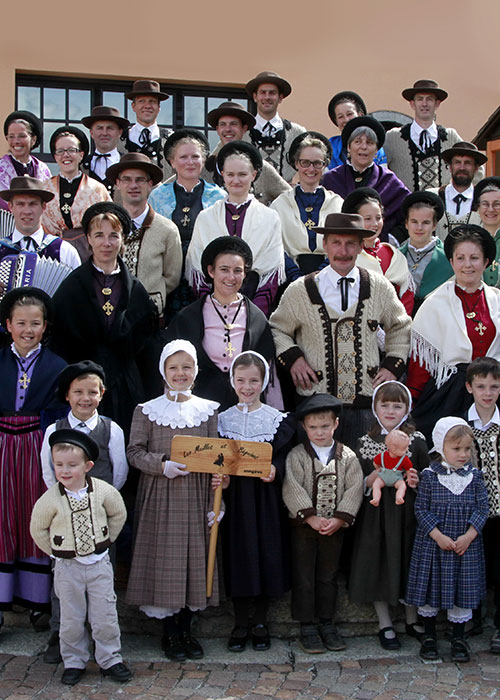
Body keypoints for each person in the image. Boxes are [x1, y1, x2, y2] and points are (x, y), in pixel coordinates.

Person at [270, 213, 411, 448]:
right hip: (315, 408)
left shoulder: (379, 287)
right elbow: (277, 328)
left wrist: (392, 366)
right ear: (325, 244)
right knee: (316, 473)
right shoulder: (300, 290)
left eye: (350, 243)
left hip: (365, 406)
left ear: (360, 246)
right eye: (336, 242)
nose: (343, 251)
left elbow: (400, 325)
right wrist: (294, 359)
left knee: (363, 474)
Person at [126, 340, 219, 661]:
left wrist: (217, 502)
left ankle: (186, 629)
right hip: (161, 496)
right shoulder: (146, 410)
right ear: (163, 371)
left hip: (196, 495)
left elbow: (218, 459)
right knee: (165, 561)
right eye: (173, 367)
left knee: (194, 559)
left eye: (186, 367)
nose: (180, 373)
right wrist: (161, 465)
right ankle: (169, 633)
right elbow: (134, 452)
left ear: (196, 371)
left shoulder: (208, 410)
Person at [40, 360, 128, 664]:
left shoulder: (111, 430)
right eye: (78, 392)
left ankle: (102, 637)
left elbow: (119, 474)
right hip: (64, 516)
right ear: (68, 395)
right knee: (64, 582)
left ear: (102, 394)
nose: (85, 398)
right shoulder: (54, 430)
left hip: (100, 519)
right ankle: (60, 634)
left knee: (101, 583)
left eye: (92, 392)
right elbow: (48, 474)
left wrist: (98, 503)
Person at [30, 429, 132, 685]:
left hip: (99, 566)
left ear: (87, 466)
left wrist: (106, 540)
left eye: (72, 465)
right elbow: (37, 527)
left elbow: (118, 513)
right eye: (59, 465)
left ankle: (110, 659)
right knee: (71, 618)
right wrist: (55, 552)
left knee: (105, 615)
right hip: (68, 569)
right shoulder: (51, 498)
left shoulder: (102, 491)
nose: (65, 471)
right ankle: (74, 660)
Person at [50, 202, 159, 438]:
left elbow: (146, 347)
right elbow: (60, 340)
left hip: (127, 387)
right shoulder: (72, 287)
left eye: (113, 235)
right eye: (99, 235)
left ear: (123, 240)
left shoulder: (137, 290)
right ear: (88, 238)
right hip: (84, 388)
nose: (106, 243)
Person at [218, 351, 295, 652]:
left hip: (265, 499)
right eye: (241, 381)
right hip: (236, 498)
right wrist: (221, 478)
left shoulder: (278, 421)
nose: (247, 387)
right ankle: (239, 621)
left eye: (254, 381)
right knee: (238, 553)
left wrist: (277, 468)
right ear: (232, 381)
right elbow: (216, 459)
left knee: (265, 552)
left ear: (264, 382)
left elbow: (289, 457)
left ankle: (261, 620)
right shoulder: (222, 420)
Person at [0, 288, 66, 632]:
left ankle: (39, 602)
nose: (28, 330)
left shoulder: (57, 367)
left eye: (35, 323)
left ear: (45, 326)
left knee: (35, 516)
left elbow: (59, 413)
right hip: (0, 447)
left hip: (36, 446)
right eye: (21, 323)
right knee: (1, 518)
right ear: (8, 324)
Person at [349, 381, 429, 650]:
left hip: (407, 512)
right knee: (379, 561)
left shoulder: (416, 441)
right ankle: (384, 622)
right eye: (385, 405)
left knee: (408, 560)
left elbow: (424, 477)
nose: (391, 411)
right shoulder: (365, 442)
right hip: (376, 515)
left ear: (407, 409)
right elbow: (358, 480)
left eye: (398, 405)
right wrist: (373, 476)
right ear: (375, 408)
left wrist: (415, 479)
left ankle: (411, 618)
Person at [282, 393, 363, 653]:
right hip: (304, 529)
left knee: (328, 576)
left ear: (336, 424)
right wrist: (311, 517)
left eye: (325, 426)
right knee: (304, 576)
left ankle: (327, 623)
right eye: (313, 427)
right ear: (304, 427)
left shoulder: (348, 456)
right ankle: (307, 625)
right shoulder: (297, 456)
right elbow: (292, 487)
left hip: (334, 529)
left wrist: (340, 518)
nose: (319, 432)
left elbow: (354, 488)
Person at [406, 417, 489, 663]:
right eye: (456, 449)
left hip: (465, 546)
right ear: (441, 446)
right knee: (432, 588)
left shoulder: (475, 477)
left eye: (466, 449)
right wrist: (438, 535)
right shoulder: (430, 476)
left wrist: (469, 535)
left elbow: (482, 508)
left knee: (462, 590)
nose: (462, 454)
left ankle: (458, 637)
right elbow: (421, 509)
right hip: (434, 545)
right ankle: (429, 635)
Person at [407, 225, 500, 443]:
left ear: (486, 262)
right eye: (461, 258)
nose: (468, 265)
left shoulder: (497, 300)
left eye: (475, 258)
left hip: (493, 389)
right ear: (451, 262)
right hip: (451, 391)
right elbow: (422, 363)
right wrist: (411, 400)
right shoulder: (434, 303)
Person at [164, 237, 279, 411]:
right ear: (211, 271)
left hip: (244, 402)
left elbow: (268, 372)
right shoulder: (188, 317)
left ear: (244, 274)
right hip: (200, 402)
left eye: (237, 271)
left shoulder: (257, 318)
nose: (231, 277)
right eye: (224, 270)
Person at [186, 141, 284, 316]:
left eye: (242, 174)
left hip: (255, 304)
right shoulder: (205, 217)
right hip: (211, 307)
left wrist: (253, 315)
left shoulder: (270, 218)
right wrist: (210, 309)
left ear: (254, 175)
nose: (236, 180)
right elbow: (197, 273)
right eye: (230, 174)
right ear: (222, 174)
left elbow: (271, 275)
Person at [148, 129, 225, 317]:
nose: (189, 162)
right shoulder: (157, 196)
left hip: (204, 271)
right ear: (172, 162)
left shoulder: (219, 196)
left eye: (195, 156)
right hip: (168, 269)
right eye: (183, 157)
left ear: (203, 160)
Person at [107, 153, 182, 318]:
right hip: (110, 316)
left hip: (150, 319)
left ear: (150, 184)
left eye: (140, 180)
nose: (133, 185)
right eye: (127, 179)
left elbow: (172, 278)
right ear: (118, 184)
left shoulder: (167, 230)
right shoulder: (107, 227)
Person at [384, 79, 482, 192]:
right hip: (406, 207)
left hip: (443, 208)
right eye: (420, 99)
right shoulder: (394, 137)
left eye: (429, 99)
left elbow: (477, 168)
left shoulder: (450, 137)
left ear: (437, 103)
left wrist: (464, 195)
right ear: (412, 103)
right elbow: (378, 170)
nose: (424, 104)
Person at [322, 116, 410, 239]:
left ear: (376, 150)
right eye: (357, 141)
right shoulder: (330, 179)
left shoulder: (389, 180)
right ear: (348, 147)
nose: (363, 147)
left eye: (369, 143)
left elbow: (409, 213)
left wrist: (392, 239)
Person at [464, 357, 500, 653]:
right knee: (474, 566)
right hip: (473, 512)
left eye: (493, 387)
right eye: (481, 387)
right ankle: (471, 617)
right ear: (469, 387)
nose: (487, 393)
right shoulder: (462, 426)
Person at [270, 131, 343, 277]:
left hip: (331, 276)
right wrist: (294, 274)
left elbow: (343, 243)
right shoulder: (280, 204)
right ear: (296, 164)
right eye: (305, 163)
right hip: (289, 278)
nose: (311, 169)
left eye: (317, 163)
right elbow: (274, 245)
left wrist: (323, 272)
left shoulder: (338, 204)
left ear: (325, 165)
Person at [341, 188, 414, 315]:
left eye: (378, 218)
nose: (375, 224)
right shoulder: (345, 255)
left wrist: (397, 325)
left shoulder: (393, 254)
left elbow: (407, 295)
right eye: (367, 218)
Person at [42, 126, 111, 259]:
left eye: (71, 150)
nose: (66, 155)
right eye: (60, 151)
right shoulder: (44, 189)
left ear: (81, 154)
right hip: (52, 252)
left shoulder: (97, 189)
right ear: (55, 157)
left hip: (89, 252)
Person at [204, 101, 290, 206]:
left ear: (244, 128)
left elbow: (289, 199)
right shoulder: (206, 169)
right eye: (223, 124)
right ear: (217, 129)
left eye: (233, 124)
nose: (228, 129)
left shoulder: (262, 168)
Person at [0, 176, 81, 281]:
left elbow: (78, 292)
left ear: (43, 206)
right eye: (20, 204)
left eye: (33, 204)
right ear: (10, 207)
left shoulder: (64, 251)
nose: (27, 211)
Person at [243, 71, 306, 183]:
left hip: (286, 198)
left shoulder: (297, 132)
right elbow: (217, 161)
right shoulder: (242, 132)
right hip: (249, 198)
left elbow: (315, 163)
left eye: (272, 93)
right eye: (262, 92)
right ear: (255, 97)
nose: (267, 97)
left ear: (280, 98)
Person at [398, 191, 453, 314]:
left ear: (434, 225)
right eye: (414, 222)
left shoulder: (448, 258)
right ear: (406, 224)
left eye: (426, 222)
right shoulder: (396, 256)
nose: (419, 228)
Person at [428, 142, 485, 241]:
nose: (462, 167)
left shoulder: (484, 200)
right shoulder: (432, 197)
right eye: (457, 162)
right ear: (450, 167)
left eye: (467, 163)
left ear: (476, 168)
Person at [0, 111, 51, 210]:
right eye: (11, 137)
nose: (16, 141)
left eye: (22, 136)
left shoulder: (43, 170)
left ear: (33, 139)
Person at [326, 91, 387, 170]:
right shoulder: (330, 147)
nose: (346, 120)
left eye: (349, 114)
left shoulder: (375, 146)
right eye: (340, 117)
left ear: (360, 115)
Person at [124, 80, 172, 176]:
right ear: (133, 106)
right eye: (142, 101)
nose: (147, 106)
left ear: (159, 107)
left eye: (152, 101)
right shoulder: (119, 140)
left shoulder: (172, 140)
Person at [81, 106, 129, 198]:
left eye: (110, 128)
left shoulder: (128, 165)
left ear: (119, 132)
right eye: (99, 128)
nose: (104, 133)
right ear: (91, 133)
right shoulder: (81, 166)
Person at [370, 429, 412, 507]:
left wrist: (409, 477)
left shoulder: (404, 459)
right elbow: (375, 462)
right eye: (404, 448)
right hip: (383, 477)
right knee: (376, 485)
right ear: (393, 449)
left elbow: (408, 469)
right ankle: (376, 498)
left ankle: (399, 497)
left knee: (402, 486)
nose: (406, 450)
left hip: (397, 478)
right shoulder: (382, 456)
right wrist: (378, 469)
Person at [472, 177, 500, 288]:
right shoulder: (470, 240)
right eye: (485, 204)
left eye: (496, 204)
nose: (491, 209)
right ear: (478, 208)